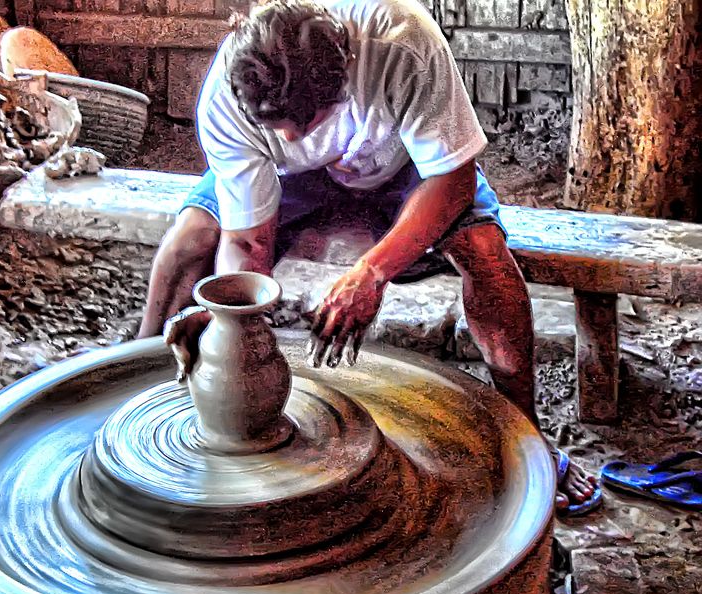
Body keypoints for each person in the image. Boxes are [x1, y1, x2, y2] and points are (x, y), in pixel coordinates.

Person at [137, 0, 601, 516]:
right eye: (274, 123)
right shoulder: (229, 92)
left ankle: (527, 436)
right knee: (190, 240)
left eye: (304, 119)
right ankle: (135, 385)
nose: (290, 135)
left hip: (403, 164)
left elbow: (454, 180)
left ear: (343, 76)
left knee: (486, 255)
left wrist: (373, 271)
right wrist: (232, 310)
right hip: (290, 177)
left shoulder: (401, 44)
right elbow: (248, 242)